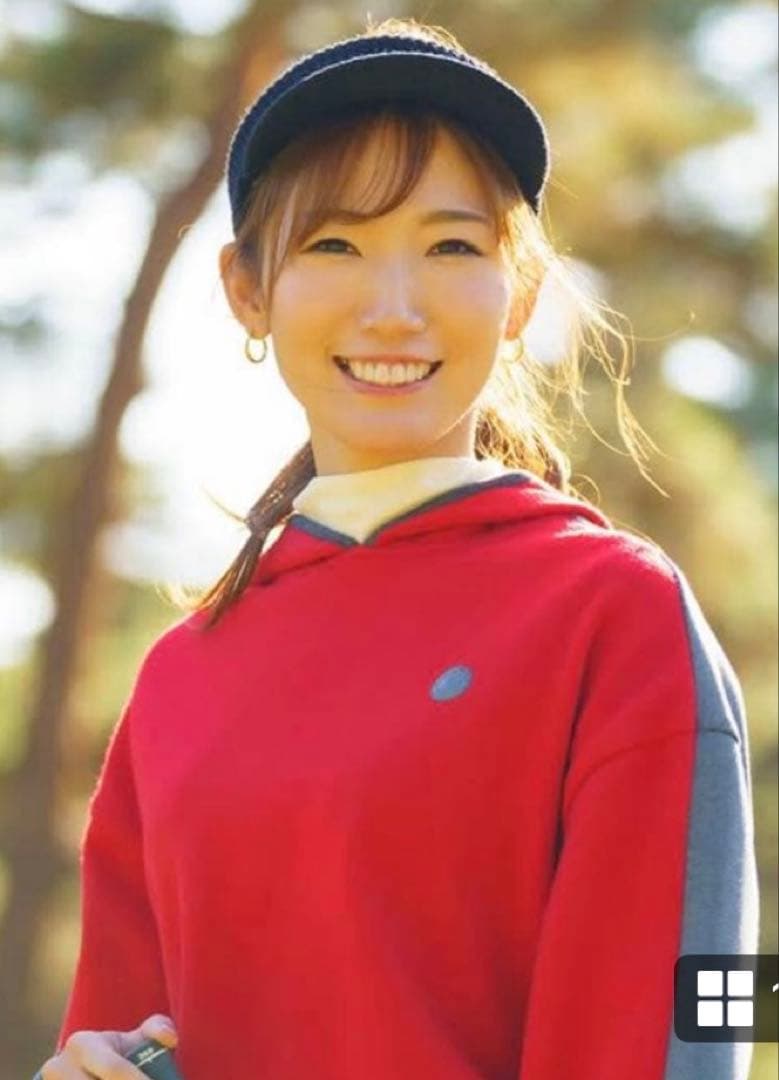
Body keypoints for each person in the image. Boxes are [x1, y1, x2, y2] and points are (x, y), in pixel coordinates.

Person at [36, 16, 759, 1080]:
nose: (392, 309)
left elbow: (692, 1019)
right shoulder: (177, 680)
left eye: (450, 247)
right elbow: (121, 1032)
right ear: (247, 291)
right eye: (334, 244)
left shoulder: (614, 614)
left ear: (518, 296)